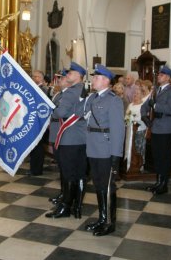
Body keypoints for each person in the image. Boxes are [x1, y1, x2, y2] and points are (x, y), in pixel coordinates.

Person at [79, 64, 125, 236]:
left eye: (96, 77)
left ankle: (110, 222)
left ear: (106, 81)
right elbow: (82, 117)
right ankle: (102, 217)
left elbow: (118, 130)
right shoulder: (92, 99)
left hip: (106, 149)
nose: (93, 80)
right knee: (98, 185)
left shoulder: (114, 100)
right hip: (93, 148)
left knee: (107, 187)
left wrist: (116, 156)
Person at [45, 62, 87, 219]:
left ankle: (66, 207)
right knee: (78, 173)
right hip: (79, 138)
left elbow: (60, 112)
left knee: (69, 174)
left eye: (70, 73)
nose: (67, 75)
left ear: (78, 77)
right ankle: (75, 205)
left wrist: (51, 110)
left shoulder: (70, 92)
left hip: (69, 138)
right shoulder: (82, 90)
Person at [141, 65, 171, 194]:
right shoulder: (156, 90)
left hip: (166, 127)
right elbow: (145, 105)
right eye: (159, 74)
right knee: (157, 157)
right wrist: (145, 118)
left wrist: (156, 105)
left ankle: (164, 185)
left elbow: (170, 109)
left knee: (164, 157)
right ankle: (158, 182)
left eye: (161, 75)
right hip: (156, 127)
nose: (158, 76)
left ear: (168, 77)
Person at [48, 70, 69, 205]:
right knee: (60, 167)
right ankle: (62, 192)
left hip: (62, 133)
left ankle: (66, 194)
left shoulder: (68, 96)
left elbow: (60, 112)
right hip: (54, 131)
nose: (58, 81)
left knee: (65, 166)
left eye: (61, 79)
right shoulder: (58, 94)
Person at [29, 70, 48, 175]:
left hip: (40, 122)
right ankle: (33, 168)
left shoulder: (44, 89)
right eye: (33, 76)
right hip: (33, 121)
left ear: (41, 78)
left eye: (37, 76)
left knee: (38, 146)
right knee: (33, 146)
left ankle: (37, 170)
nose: (34, 78)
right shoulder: (33, 88)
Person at [124, 88, 147, 172]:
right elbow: (126, 115)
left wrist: (134, 119)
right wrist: (128, 119)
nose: (135, 95)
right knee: (130, 146)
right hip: (131, 129)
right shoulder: (130, 104)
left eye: (137, 93)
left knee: (139, 147)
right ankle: (130, 163)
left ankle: (140, 164)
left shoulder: (143, 105)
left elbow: (143, 116)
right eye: (134, 93)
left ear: (142, 95)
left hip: (140, 128)